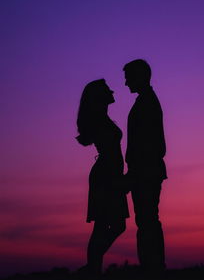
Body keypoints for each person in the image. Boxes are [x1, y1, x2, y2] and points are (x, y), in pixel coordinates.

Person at [76, 79, 129, 277]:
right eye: (108, 90)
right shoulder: (99, 120)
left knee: (110, 225)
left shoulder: (103, 119)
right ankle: (92, 268)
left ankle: (92, 267)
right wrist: (117, 178)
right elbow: (110, 152)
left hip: (109, 174)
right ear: (100, 96)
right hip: (106, 175)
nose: (112, 92)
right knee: (107, 225)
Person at [123, 59, 167, 275]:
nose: (125, 83)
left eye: (128, 78)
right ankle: (152, 267)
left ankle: (153, 269)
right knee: (147, 219)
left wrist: (135, 172)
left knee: (147, 220)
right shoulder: (146, 101)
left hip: (145, 172)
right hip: (145, 171)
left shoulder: (147, 103)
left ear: (140, 76)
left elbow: (151, 144)